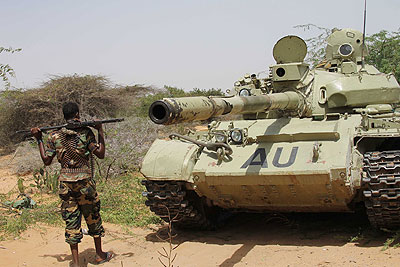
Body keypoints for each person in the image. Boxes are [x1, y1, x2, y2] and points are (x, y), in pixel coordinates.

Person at [31, 102, 113, 266]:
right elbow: (101, 154)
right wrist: (100, 130)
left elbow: (47, 161)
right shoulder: (86, 133)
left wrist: (39, 140)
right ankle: (99, 254)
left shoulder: (54, 136)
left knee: (71, 220)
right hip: (84, 184)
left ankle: (75, 263)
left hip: (65, 184)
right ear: (77, 115)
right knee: (93, 216)